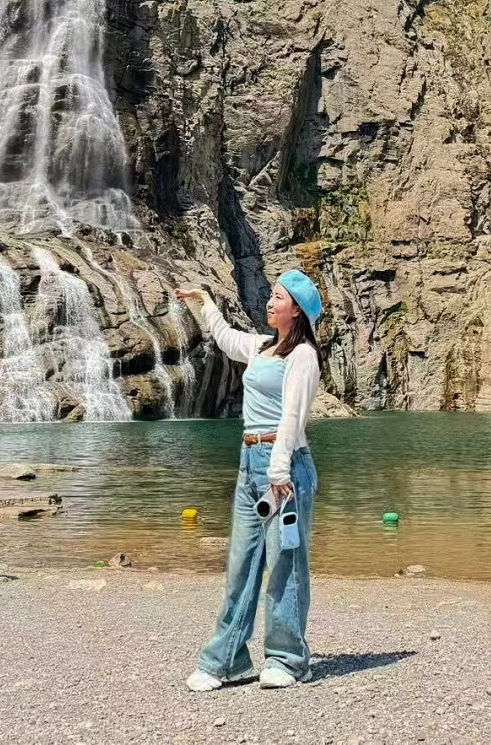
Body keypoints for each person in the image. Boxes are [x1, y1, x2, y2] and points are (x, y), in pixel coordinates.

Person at [176, 270, 322, 691]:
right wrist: (202, 303)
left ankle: (289, 659)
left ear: (296, 310)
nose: (270, 302)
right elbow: (225, 337)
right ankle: (228, 659)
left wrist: (278, 471)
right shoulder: (262, 347)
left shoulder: (304, 356)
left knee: (285, 564)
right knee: (242, 561)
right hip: (248, 461)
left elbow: (293, 417)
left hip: (285, 466)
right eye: (272, 296)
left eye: (278, 297)